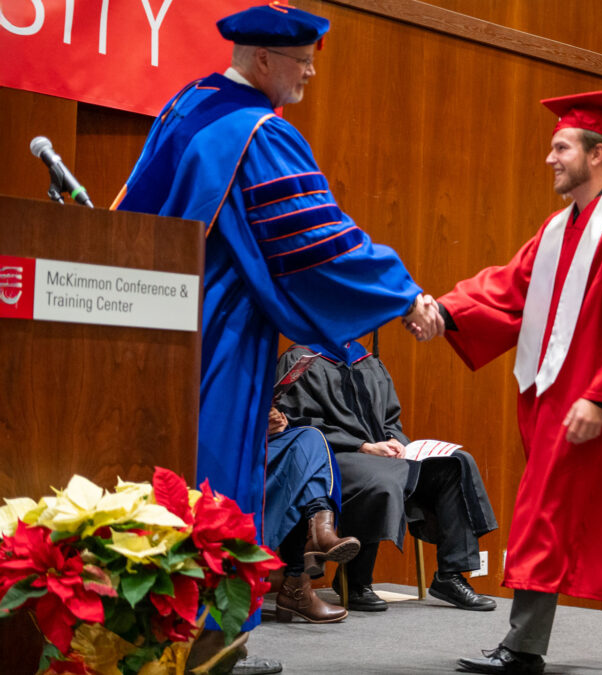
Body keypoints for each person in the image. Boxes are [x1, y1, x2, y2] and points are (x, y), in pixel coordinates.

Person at [111, 4, 443, 672]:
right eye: (302, 60)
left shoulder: (189, 104)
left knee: (166, 478)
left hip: (161, 318)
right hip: (226, 330)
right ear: (263, 59)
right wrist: (403, 291)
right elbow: (318, 242)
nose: (311, 72)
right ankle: (214, 647)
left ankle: (158, 638)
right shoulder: (259, 131)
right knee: (219, 483)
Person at [436, 90, 602, 675]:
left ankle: (523, 647)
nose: (550, 158)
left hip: (592, 398)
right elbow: (509, 288)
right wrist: (446, 310)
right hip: (548, 395)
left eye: (562, 147)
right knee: (592, 513)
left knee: (544, 510)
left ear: (597, 153)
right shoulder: (558, 229)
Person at [274, 341, 498, 613]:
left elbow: (391, 418)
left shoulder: (367, 359)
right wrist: (363, 446)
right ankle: (357, 582)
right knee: (381, 479)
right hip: (332, 456)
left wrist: (396, 441)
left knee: (456, 463)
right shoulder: (301, 358)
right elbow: (299, 422)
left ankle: (450, 575)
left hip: (380, 454)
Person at [264, 408, 358, 624]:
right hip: (232, 450)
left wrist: (278, 419)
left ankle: (319, 533)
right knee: (308, 456)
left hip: (269, 444)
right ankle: (297, 584)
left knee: (310, 438)